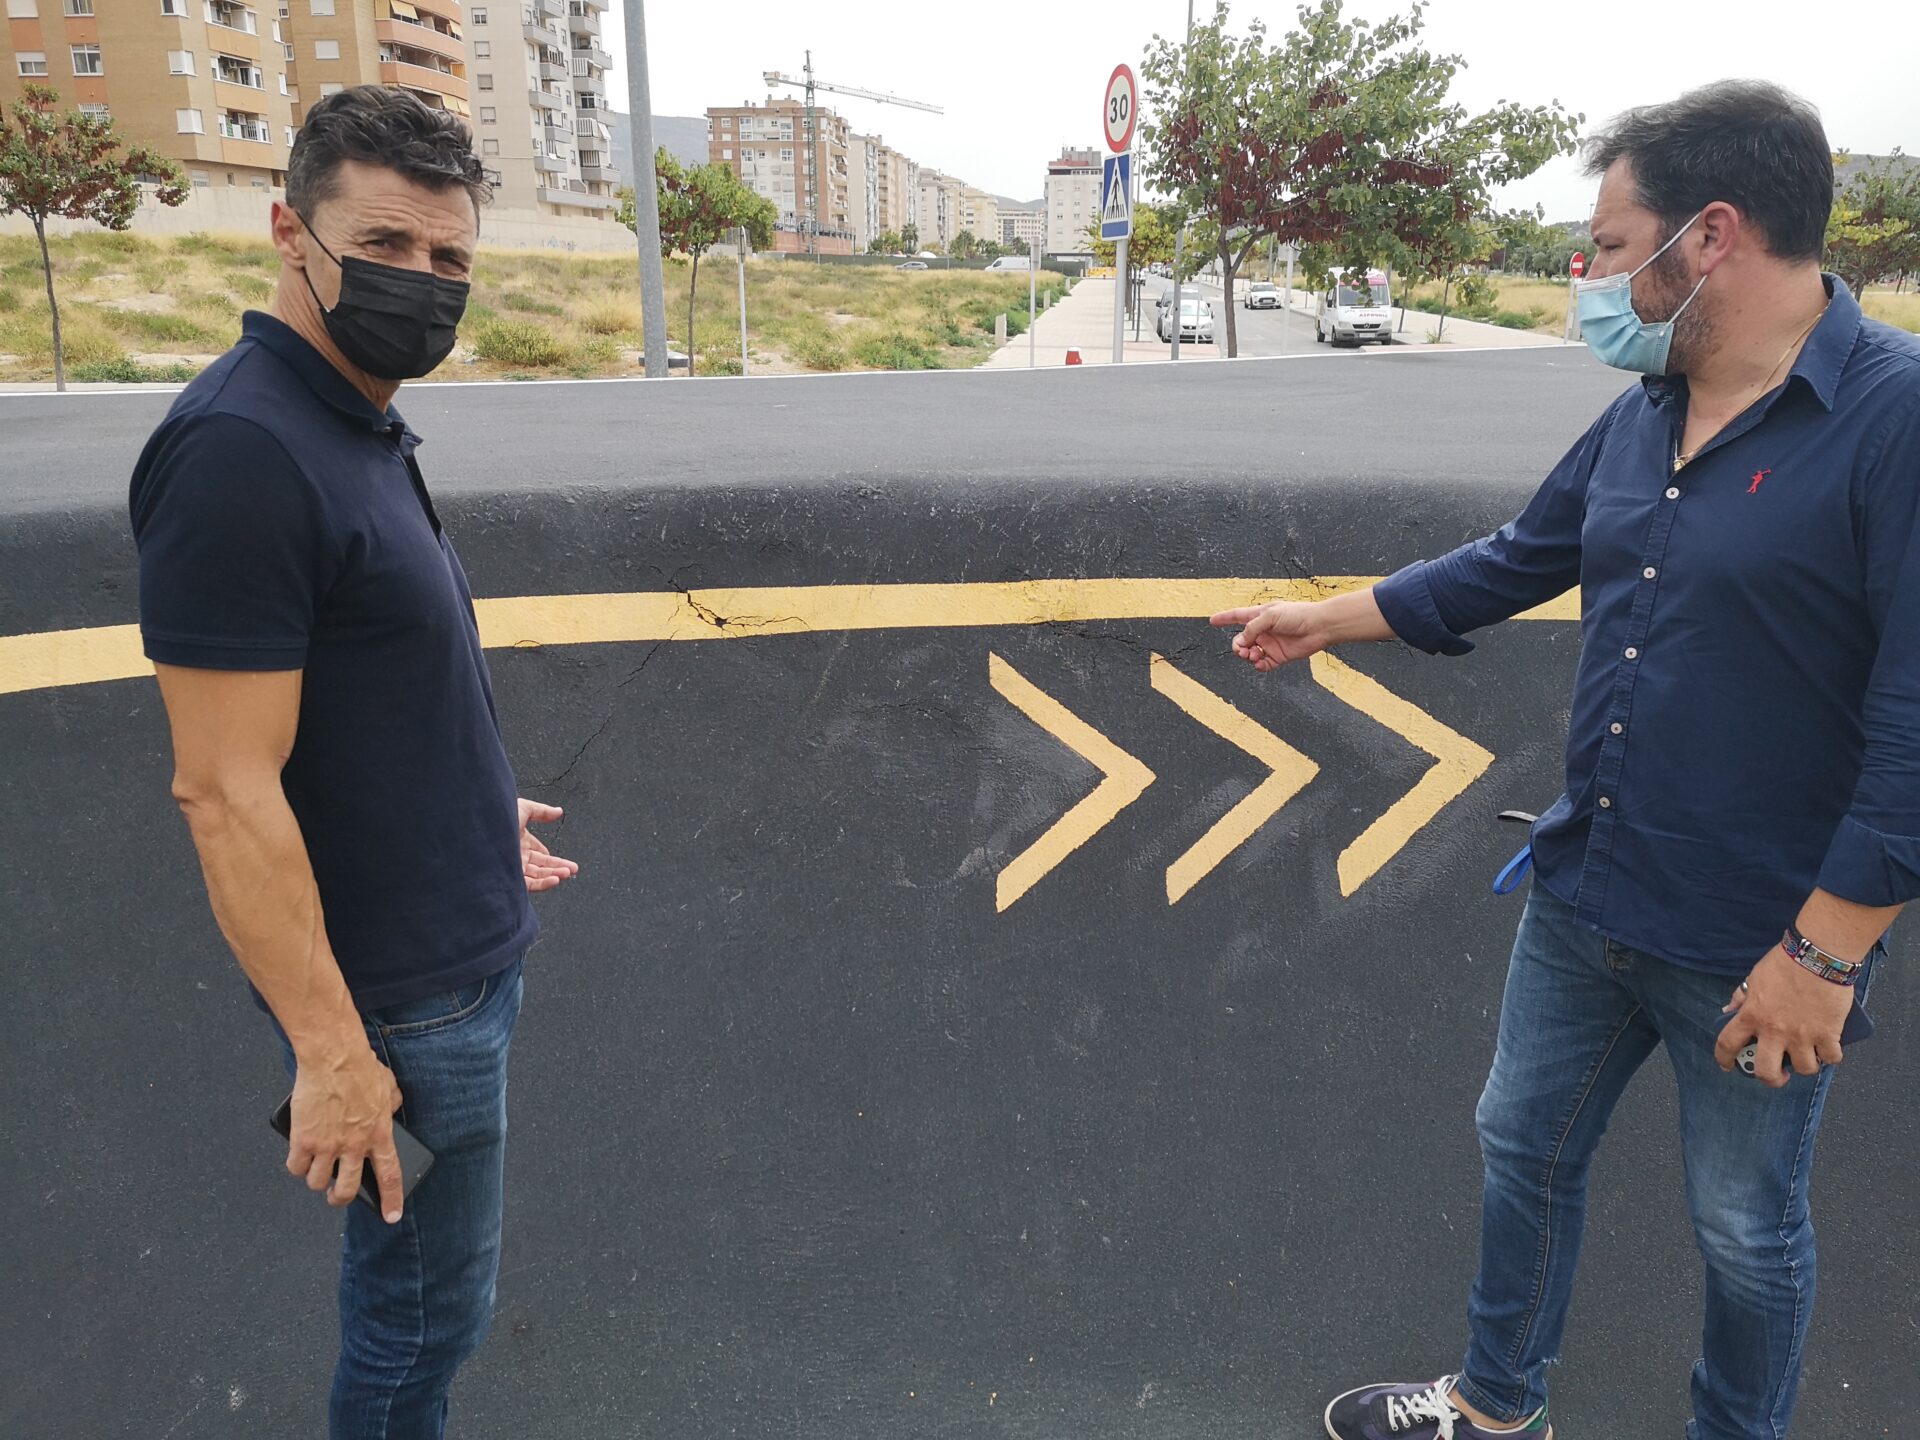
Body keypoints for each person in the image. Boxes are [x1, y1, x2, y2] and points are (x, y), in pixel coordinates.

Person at [1213, 81, 1919, 1440]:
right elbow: (1522, 556)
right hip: (1587, 886)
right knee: (1521, 1145)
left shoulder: (1893, 422)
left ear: (1710, 236)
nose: (1590, 280)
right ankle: (1495, 1409)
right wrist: (1329, 618)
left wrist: (1826, 955)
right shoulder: (1650, 408)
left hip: (1757, 942)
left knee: (1744, 1229)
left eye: (1607, 247)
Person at [129, 86, 578, 1438]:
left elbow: (362, 672)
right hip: (397, 1006)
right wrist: (333, 1056)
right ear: (291, 232)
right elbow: (222, 789)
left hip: (445, 955)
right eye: (385, 245)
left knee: (434, 1311)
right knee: (418, 1325)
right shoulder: (243, 453)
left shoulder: (350, 415)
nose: (422, 281)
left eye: (449, 257)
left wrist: (468, 809)